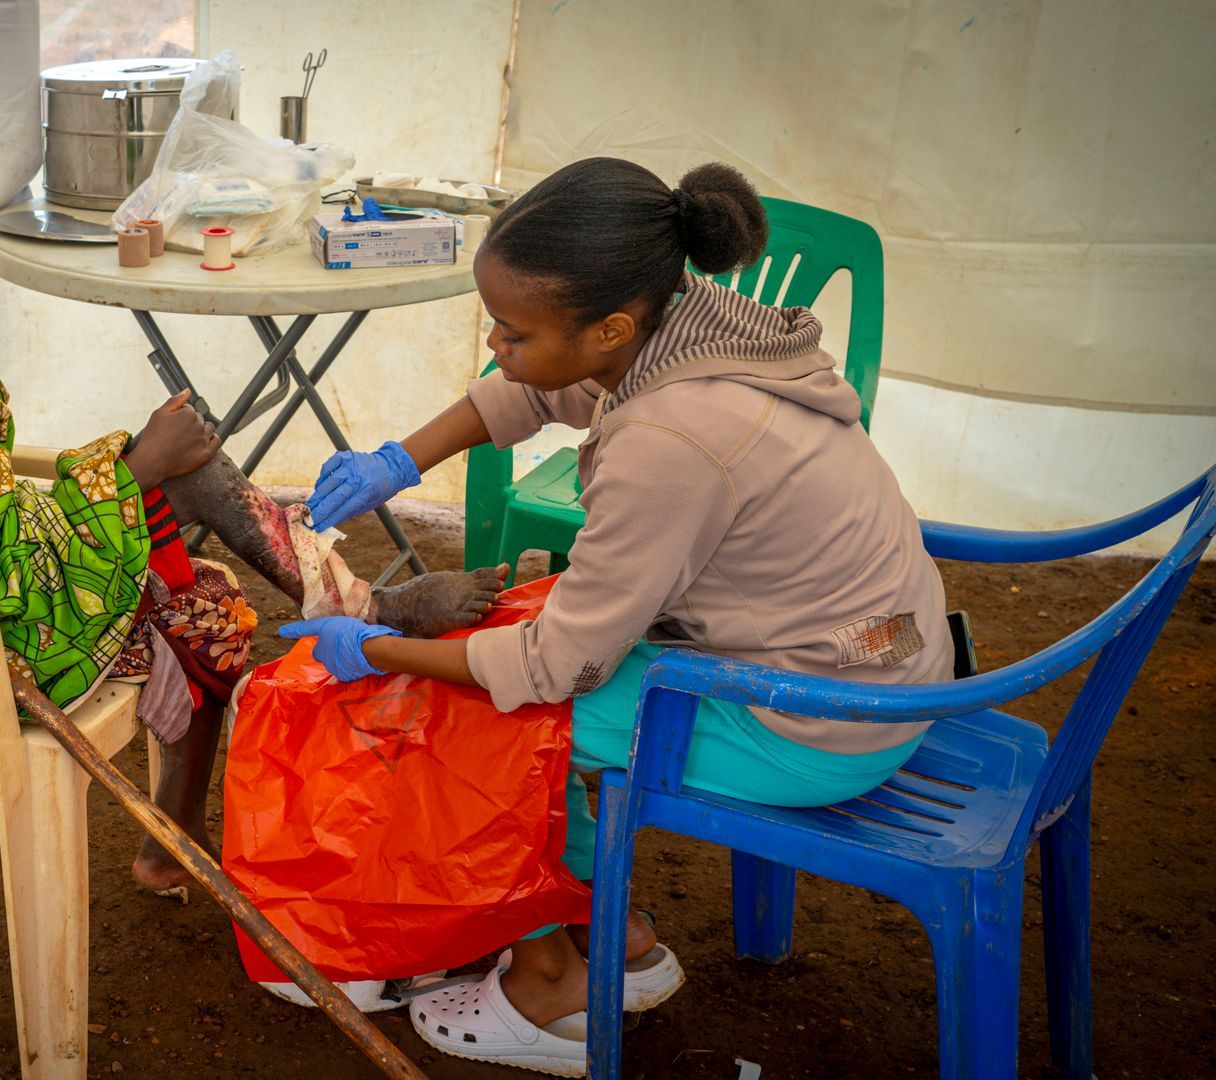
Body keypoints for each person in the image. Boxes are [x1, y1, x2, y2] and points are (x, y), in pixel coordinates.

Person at [283, 157, 950, 1074]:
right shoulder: (691, 326)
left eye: (511, 330)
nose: (495, 341)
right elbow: (537, 384)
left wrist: (382, 647)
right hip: (891, 647)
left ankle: (552, 984)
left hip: (825, 714)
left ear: (610, 327)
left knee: (500, 721)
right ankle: (618, 938)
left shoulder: (671, 440)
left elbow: (562, 666)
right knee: (517, 661)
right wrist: (399, 458)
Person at [0, 160, 506, 893]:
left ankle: (192, 815)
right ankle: (367, 616)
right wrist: (134, 471)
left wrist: (132, 469)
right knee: (198, 600)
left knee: (186, 530)